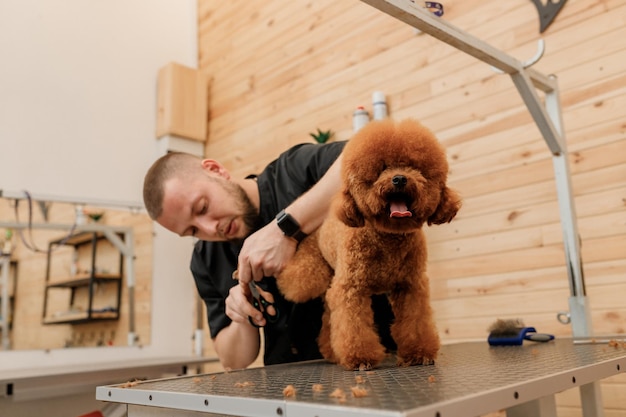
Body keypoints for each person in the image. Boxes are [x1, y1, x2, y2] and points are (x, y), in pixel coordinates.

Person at [143, 141, 395, 370]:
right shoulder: (205, 260)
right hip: (286, 384)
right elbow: (233, 360)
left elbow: (371, 154)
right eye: (193, 230)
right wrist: (241, 316)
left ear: (215, 170)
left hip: (377, 363)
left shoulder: (293, 171)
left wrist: (285, 229)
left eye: (203, 207)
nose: (210, 229)